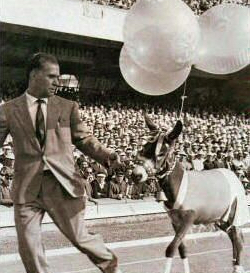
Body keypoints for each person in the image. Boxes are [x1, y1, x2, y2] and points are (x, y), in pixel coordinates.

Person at [0, 53, 122, 273]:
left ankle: (109, 263)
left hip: (62, 184)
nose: (57, 82)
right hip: (27, 188)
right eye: (51, 76)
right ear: (34, 75)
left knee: (80, 238)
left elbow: (84, 139)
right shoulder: (8, 110)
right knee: (29, 247)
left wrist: (107, 156)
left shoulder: (67, 107)